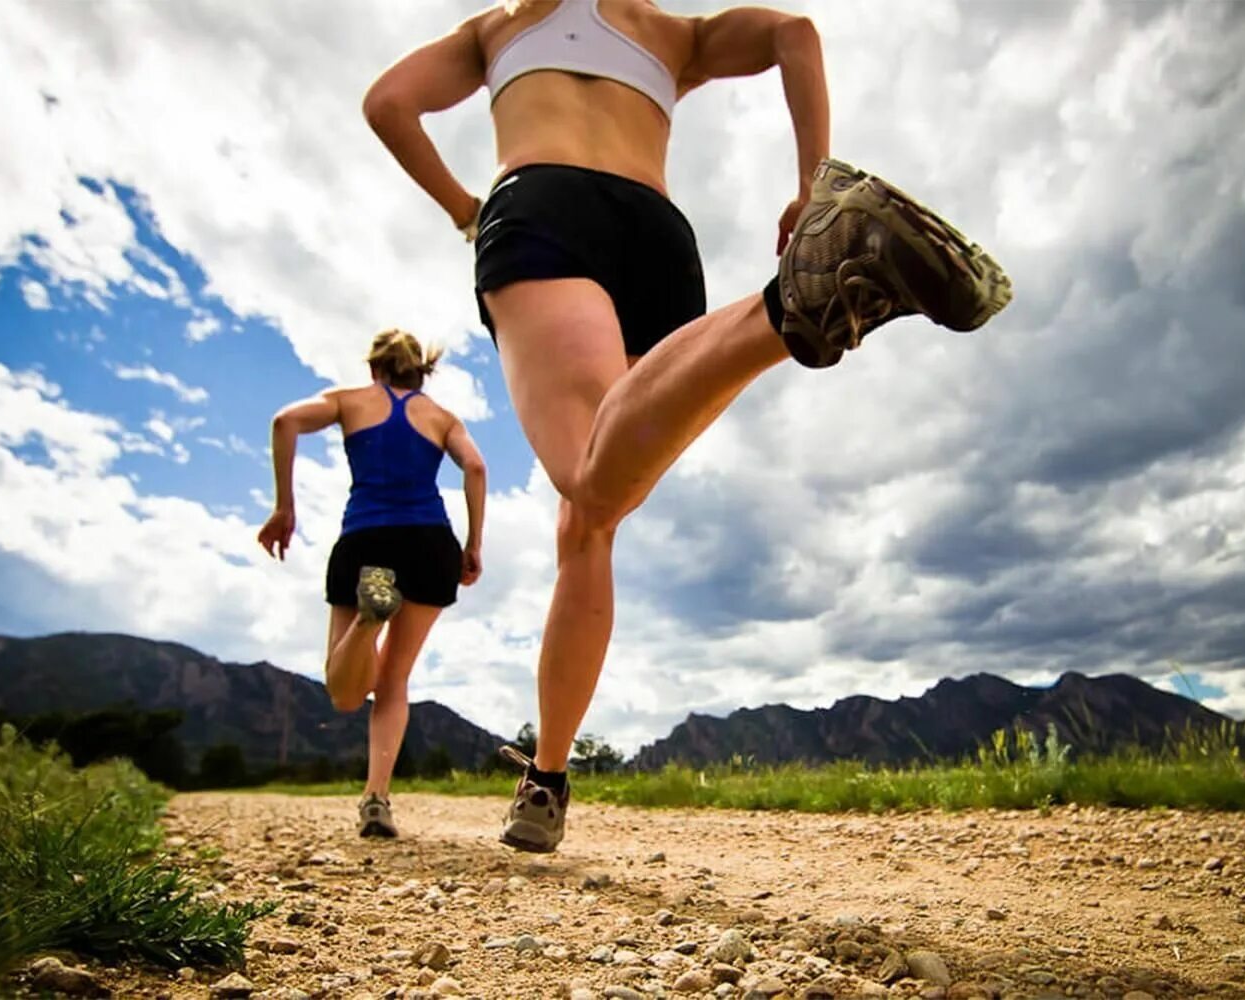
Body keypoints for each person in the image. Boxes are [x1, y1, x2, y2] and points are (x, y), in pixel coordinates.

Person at [362, 0, 1011, 852]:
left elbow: (387, 103)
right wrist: (814, 180)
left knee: (588, 477)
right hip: (659, 239)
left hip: (540, 204)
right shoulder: (675, 35)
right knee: (589, 521)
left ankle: (787, 307)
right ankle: (548, 779)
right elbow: (794, 35)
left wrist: (464, 210)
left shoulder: (498, 28)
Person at [258, 329, 487, 838]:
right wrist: (473, 544)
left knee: (345, 694)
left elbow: (285, 421)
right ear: (419, 370)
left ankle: (367, 621)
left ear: (373, 368)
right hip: (430, 543)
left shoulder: (348, 400)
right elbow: (474, 465)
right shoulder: (442, 417)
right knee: (394, 681)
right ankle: (376, 798)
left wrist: (284, 507)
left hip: (366, 539)